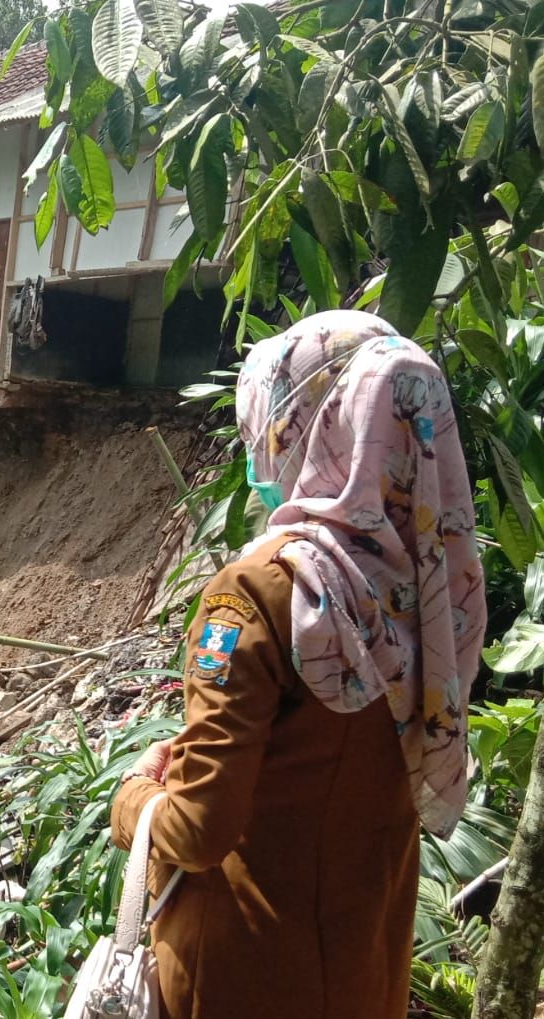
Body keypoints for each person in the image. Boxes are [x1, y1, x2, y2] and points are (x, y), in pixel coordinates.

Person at [111, 310, 486, 1019]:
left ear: (311, 426)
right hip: (363, 970)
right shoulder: (442, 594)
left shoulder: (265, 590)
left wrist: (131, 795)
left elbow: (198, 828)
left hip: (243, 975)